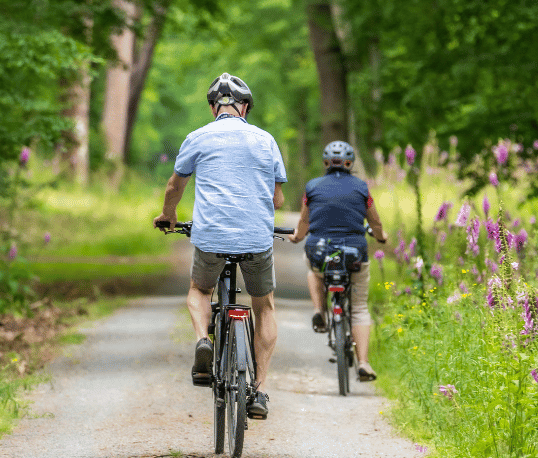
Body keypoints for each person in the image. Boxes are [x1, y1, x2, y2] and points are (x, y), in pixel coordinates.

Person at [153, 72, 287, 419]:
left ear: (214, 107)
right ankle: (259, 390)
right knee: (265, 306)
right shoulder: (265, 140)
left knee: (200, 290)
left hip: (211, 235)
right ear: (245, 107)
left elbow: (174, 188)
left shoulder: (198, 137)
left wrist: (169, 216)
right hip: (257, 238)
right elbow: (278, 197)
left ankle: (203, 340)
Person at [288, 141, 387, 382]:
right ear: (350, 163)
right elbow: (374, 222)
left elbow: (304, 223)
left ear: (325, 163)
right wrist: (382, 237)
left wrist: (297, 237)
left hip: (320, 252)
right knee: (360, 308)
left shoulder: (312, 187)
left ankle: (319, 310)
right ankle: (363, 363)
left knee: (313, 269)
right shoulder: (362, 187)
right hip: (354, 254)